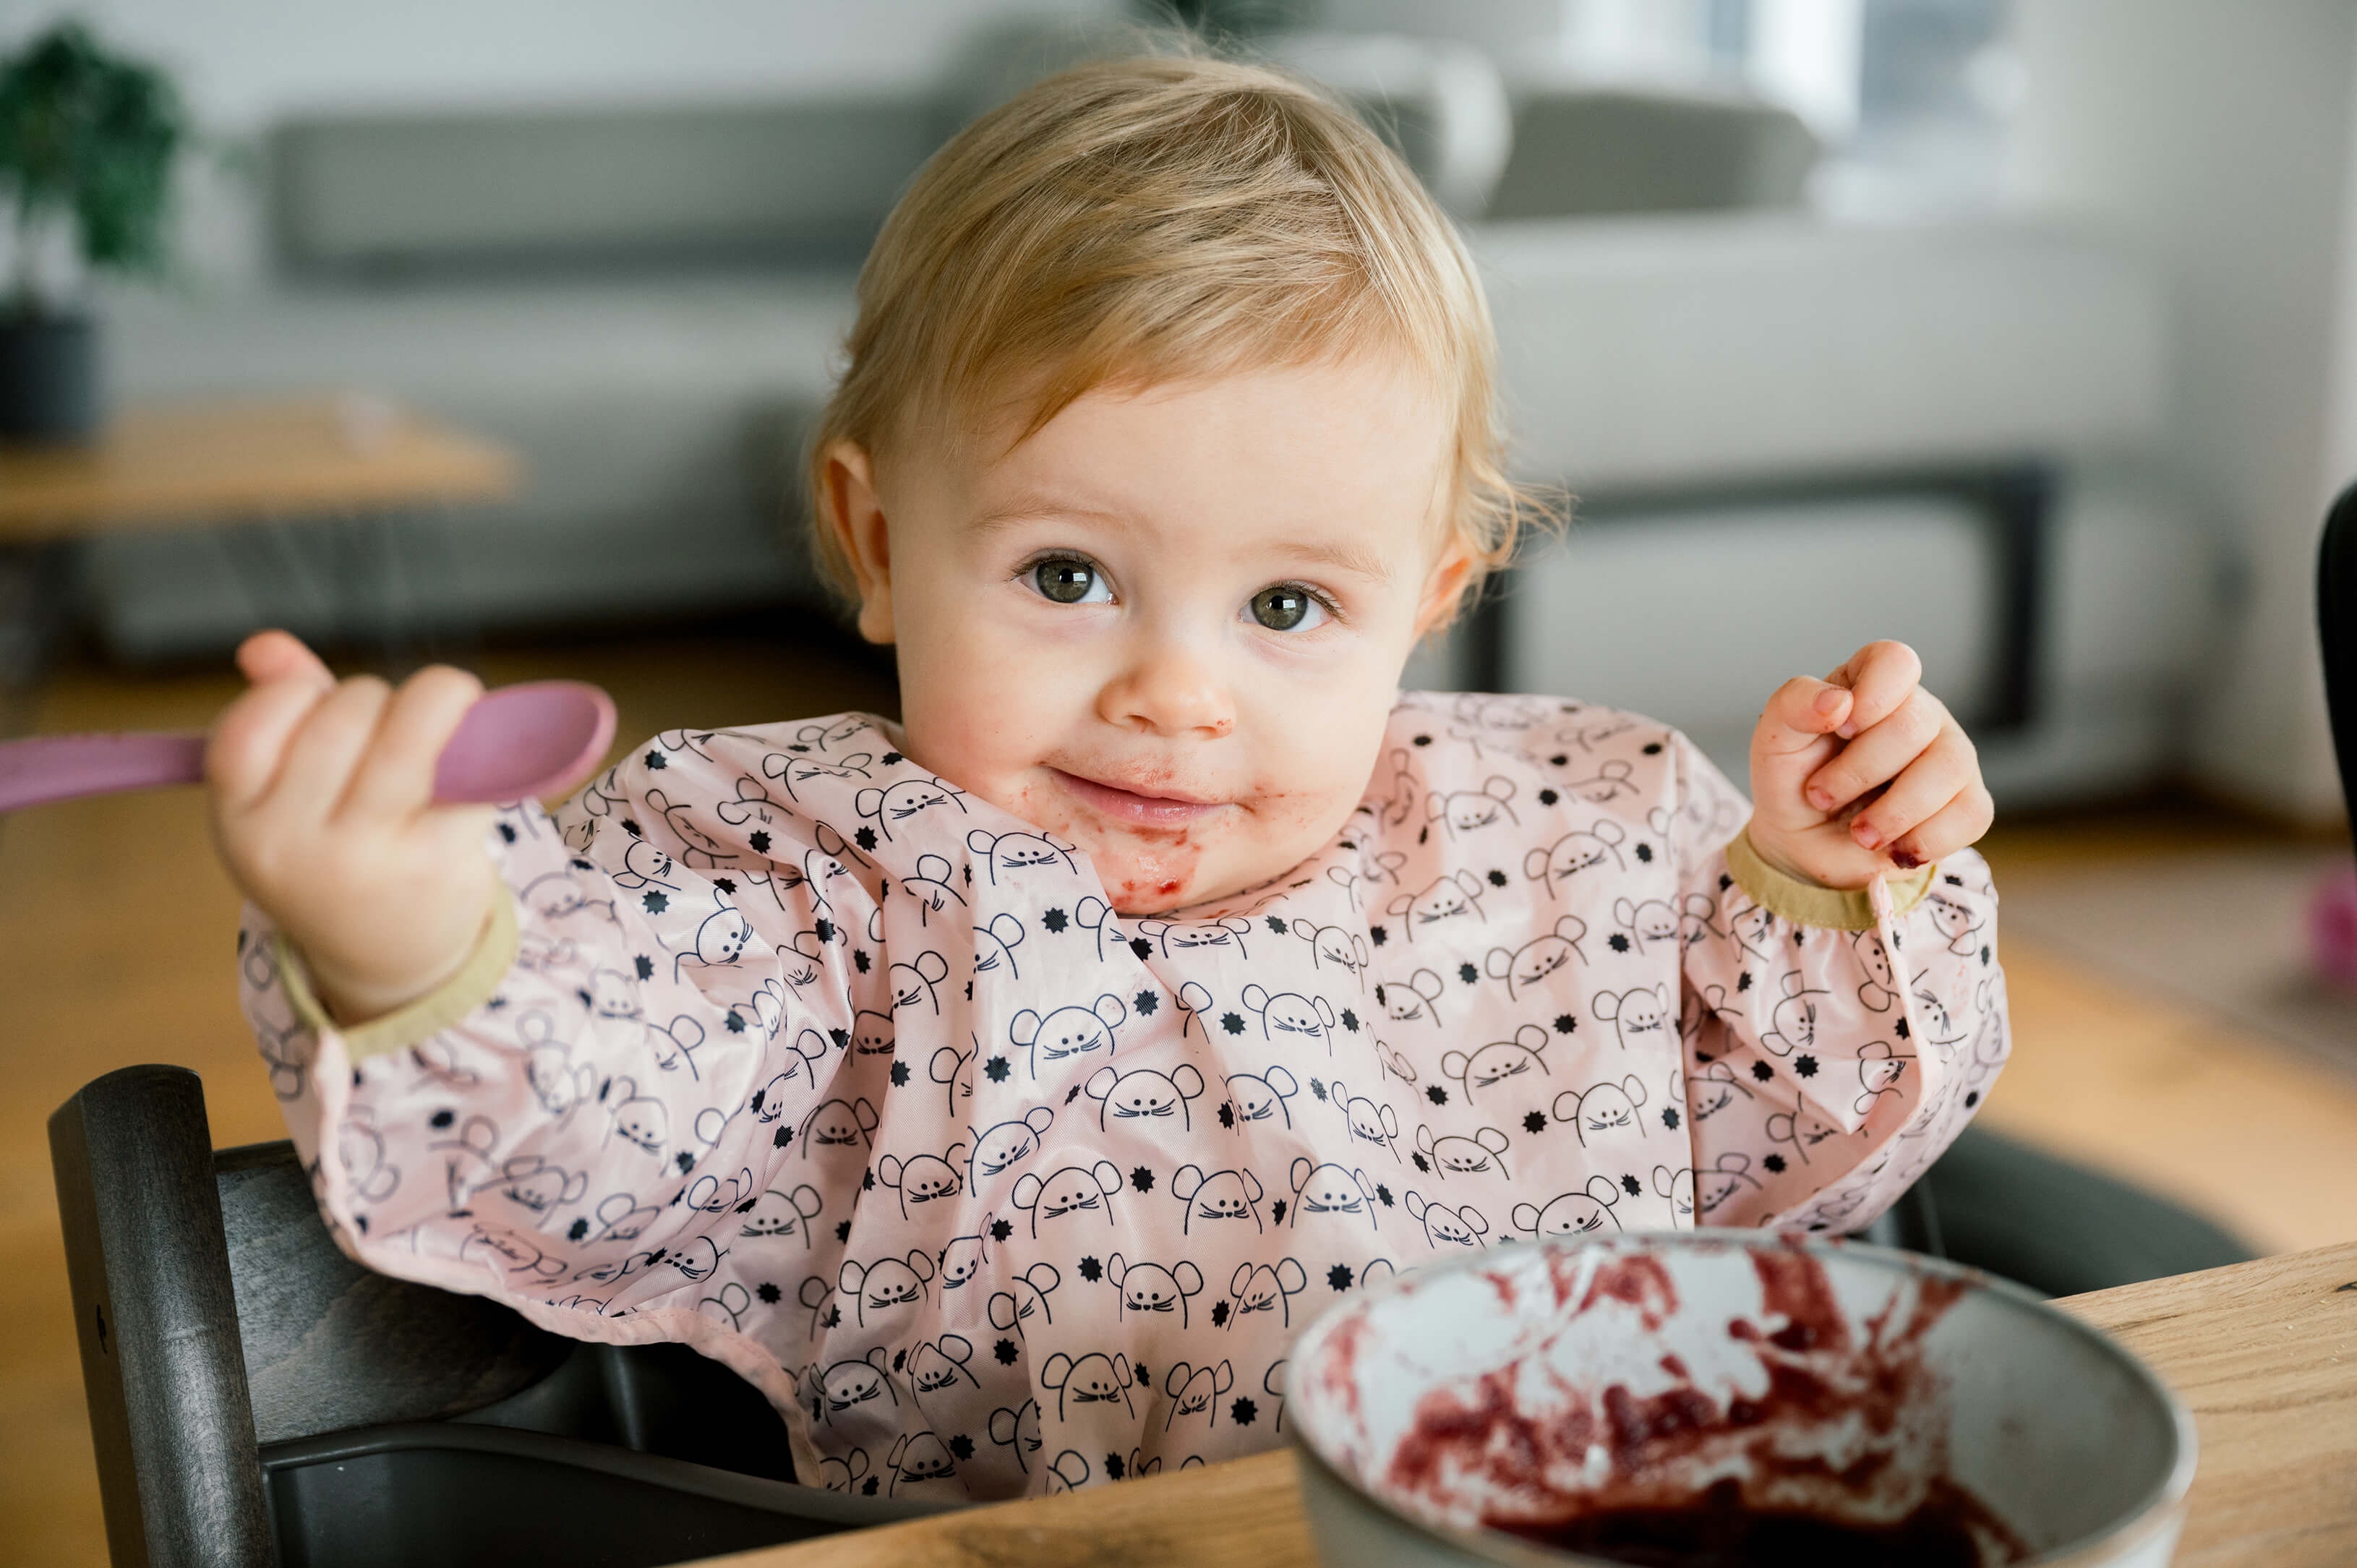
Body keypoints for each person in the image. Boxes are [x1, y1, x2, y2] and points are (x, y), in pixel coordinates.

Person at [210, 53, 2003, 1501]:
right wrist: (419, 935)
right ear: (879, 538)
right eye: (1067, 577)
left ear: (1429, 606)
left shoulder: (1575, 834)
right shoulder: (809, 884)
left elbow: (1803, 1161)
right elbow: (601, 1122)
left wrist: (1818, 882)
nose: (1173, 693)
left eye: (1291, 602)